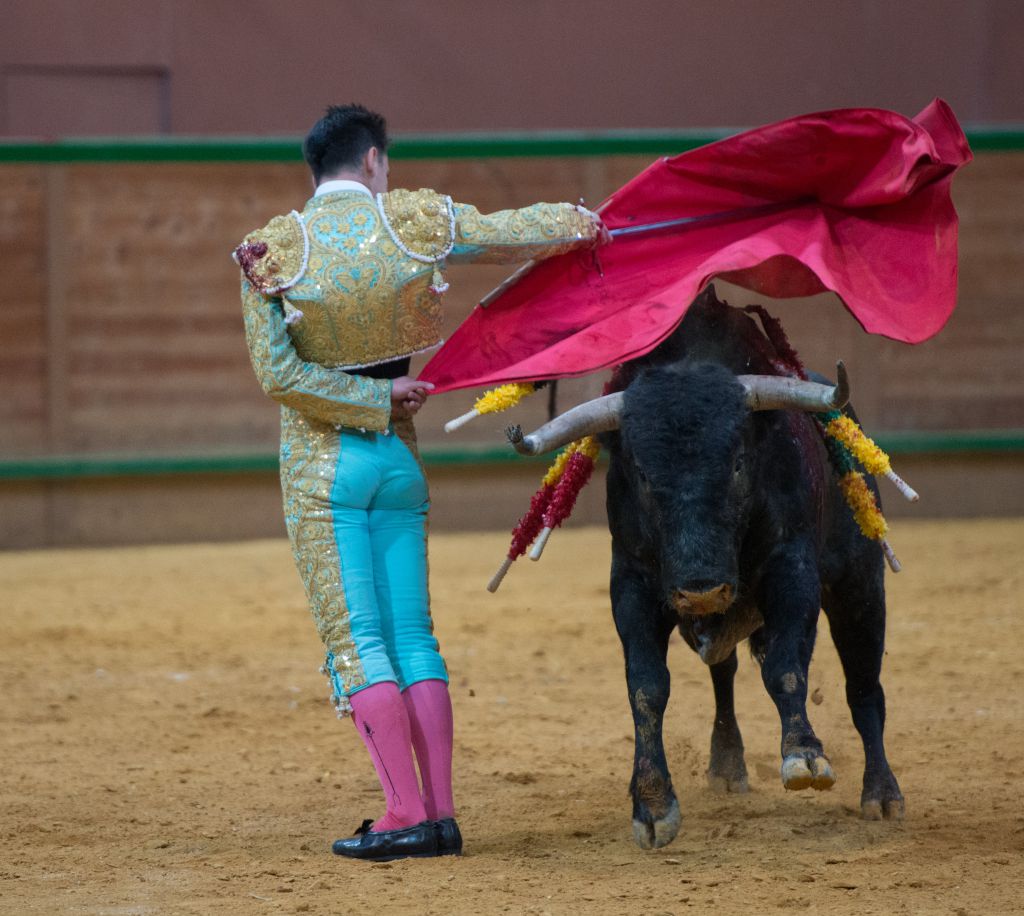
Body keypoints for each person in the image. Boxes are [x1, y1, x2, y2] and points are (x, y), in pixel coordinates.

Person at [234, 104, 609, 862]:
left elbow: (278, 375)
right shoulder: (413, 220)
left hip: (325, 469)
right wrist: (586, 221)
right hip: (400, 467)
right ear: (372, 160)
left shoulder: (271, 250)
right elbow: (511, 229)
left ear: (318, 170)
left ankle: (402, 810)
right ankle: (438, 813)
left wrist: (369, 400)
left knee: (359, 642)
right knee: (413, 637)